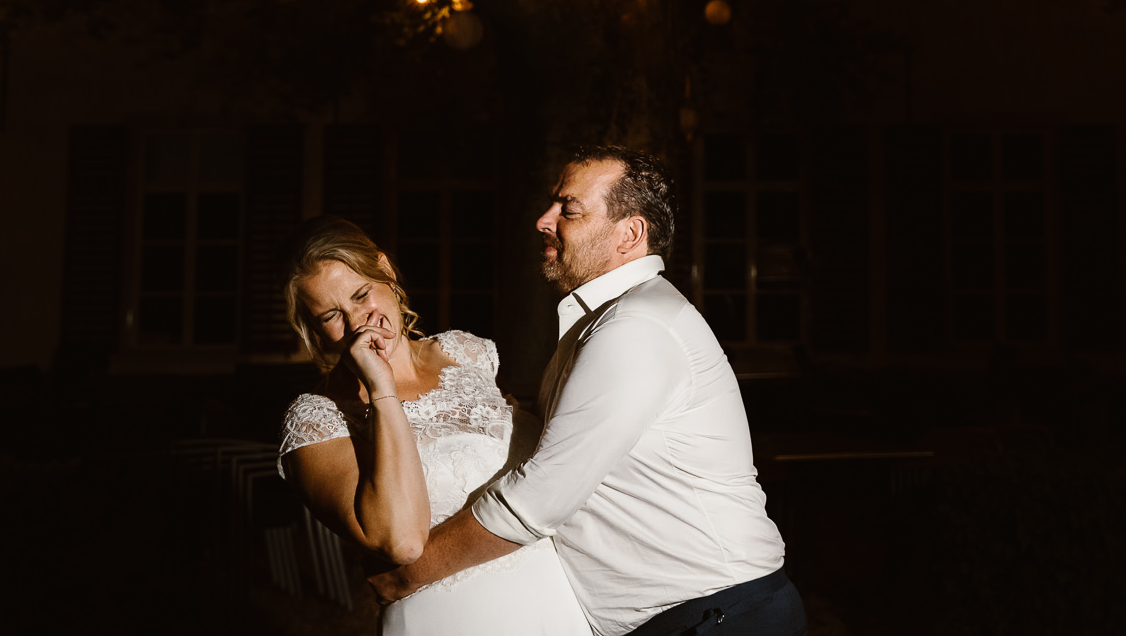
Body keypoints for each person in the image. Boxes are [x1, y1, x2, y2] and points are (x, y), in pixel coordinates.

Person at [370, 146, 806, 636]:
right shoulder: (600, 324)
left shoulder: (638, 326)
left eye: (568, 209)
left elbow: (539, 498)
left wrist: (407, 576)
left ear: (630, 234)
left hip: (720, 617)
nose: (543, 220)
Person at [276, 215, 591, 636]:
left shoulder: (467, 353)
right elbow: (402, 541)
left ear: (386, 272)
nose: (358, 323)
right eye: (332, 315)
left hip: (556, 605)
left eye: (361, 294)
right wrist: (381, 388)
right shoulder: (317, 419)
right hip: (450, 620)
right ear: (314, 330)